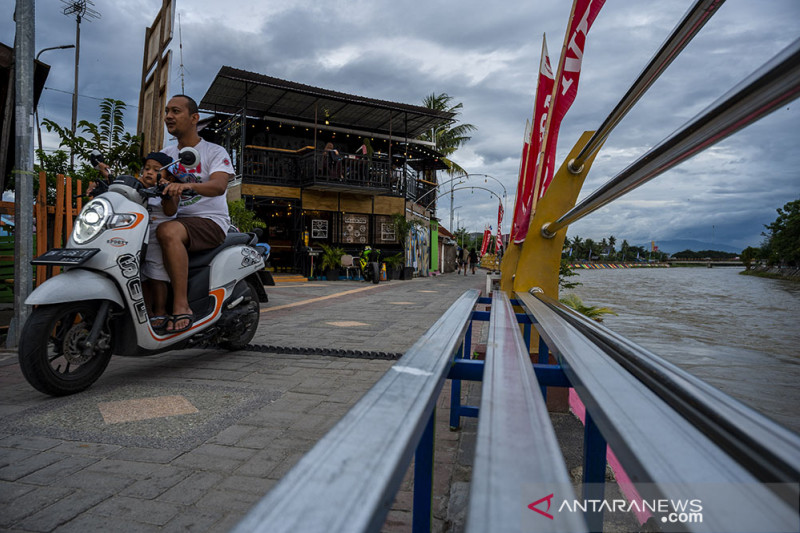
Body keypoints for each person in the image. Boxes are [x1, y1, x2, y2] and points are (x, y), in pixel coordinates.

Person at [158, 94, 234, 333]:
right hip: (174, 217)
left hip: (209, 221)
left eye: (176, 111)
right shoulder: (166, 154)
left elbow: (219, 185)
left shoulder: (213, 151)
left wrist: (186, 185)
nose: (169, 116)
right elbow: (151, 181)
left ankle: (182, 305)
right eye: (167, 111)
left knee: (167, 231)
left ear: (194, 118)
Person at [140, 152, 179, 332]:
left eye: (156, 170)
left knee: (156, 275)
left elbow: (170, 212)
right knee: (141, 276)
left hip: (157, 237)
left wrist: (166, 194)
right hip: (139, 236)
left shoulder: (170, 190)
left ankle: (160, 311)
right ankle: (146, 311)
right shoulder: (139, 188)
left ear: (168, 176)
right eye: (147, 168)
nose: (149, 172)